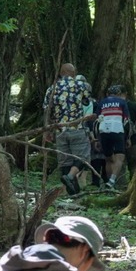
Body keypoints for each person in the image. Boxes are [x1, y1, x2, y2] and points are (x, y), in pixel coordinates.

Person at [43, 64, 91, 196]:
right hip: (77, 128)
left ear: (60, 73)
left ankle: (73, 193)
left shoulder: (52, 89)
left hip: (59, 130)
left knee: (65, 161)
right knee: (83, 156)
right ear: (73, 73)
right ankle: (70, 177)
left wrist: (47, 131)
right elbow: (87, 102)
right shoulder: (81, 86)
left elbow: (47, 110)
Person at [95, 84, 131, 189]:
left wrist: (97, 138)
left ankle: (109, 183)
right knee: (120, 157)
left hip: (104, 132)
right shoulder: (122, 102)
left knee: (108, 159)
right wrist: (128, 137)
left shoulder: (101, 103)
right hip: (118, 131)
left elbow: (97, 120)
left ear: (107, 94)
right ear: (119, 94)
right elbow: (126, 120)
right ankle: (112, 180)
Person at [118, 85, 136, 180]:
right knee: (132, 161)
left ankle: (123, 182)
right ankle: (131, 180)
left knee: (121, 161)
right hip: (132, 137)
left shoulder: (130, 105)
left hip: (121, 136)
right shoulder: (132, 105)